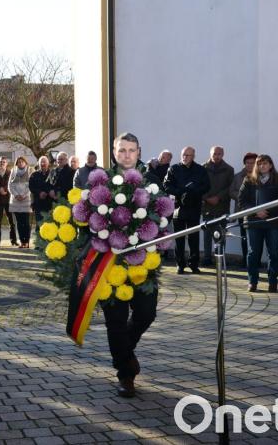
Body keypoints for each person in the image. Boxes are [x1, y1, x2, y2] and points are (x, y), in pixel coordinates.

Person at [103, 132, 161, 398]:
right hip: (109, 264)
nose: (126, 155)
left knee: (146, 313)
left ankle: (124, 352)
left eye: (131, 150)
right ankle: (126, 374)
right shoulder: (101, 182)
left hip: (143, 263)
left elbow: (162, 218)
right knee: (115, 321)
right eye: (121, 150)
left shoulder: (152, 182)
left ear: (139, 152)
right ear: (114, 152)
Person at [238, 154, 278, 293]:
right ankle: (252, 282)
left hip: (272, 222)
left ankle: (273, 282)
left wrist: (267, 211)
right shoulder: (249, 180)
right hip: (253, 222)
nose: (262, 166)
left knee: (273, 252)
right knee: (253, 253)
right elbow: (241, 201)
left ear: (271, 165)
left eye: (265, 163)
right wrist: (256, 211)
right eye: (259, 164)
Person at [164, 146, 211, 274]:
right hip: (178, 208)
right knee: (179, 238)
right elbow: (166, 185)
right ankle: (180, 264)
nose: (185, 157)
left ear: (193, 156)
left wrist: (193, 192)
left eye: (188, 155)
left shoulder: (200, 170)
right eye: (183, 155)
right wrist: (180, 192)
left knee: (194, 238)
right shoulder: (174, 169)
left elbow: (207, 186)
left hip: (194, 207)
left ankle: (194, 264)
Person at [201, 146, 235, 266]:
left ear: (223, 154)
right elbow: (199, 185)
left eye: (219, 154)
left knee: (221, 233)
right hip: (207, 206)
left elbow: (230, 187)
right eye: (214, 154)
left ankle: (219, 258)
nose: (217, 156)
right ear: (210, 154)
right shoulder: (202, 168)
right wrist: (207, 198)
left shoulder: (229, 169)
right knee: (207, 234)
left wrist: (219, 197)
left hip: (222, 206)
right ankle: (206, 258)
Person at [229, 153, 258, 268]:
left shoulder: (262, 175)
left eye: (252, 163)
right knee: (244, 237)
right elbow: (231, 192)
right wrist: (243, 196)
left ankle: (256, 260)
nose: (250, 165)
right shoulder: (237, 176)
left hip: (258, 211)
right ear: (244, 164)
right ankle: (246, 259)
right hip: (242, 211)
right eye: (248, 163)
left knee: (257, 238)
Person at [8, 157, 33, 248]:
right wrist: (16, 195)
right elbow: (10, 185)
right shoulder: (13, 171)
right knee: (19, 222)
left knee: (25, 222)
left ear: (25, 163)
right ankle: (22, 241)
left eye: (22, 162)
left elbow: (31, 185)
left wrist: (24, 195)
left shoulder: (30, 171)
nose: (21, 163)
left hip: (26, 200)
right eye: (19, 162)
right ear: (16, 163)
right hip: (15, 201)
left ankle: (27, 241)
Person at [0, 156, 17, 246]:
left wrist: (5, 189)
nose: (2, 163)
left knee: (12, 222)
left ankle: (13, 241)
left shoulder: (10, 173)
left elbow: (13, 184)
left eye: (3, 162)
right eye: (0, 162)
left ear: (6, 164)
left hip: (8, 200)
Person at [28, 155, 53, 232]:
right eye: (41, 162)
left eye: (44, 162)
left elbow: (54, 186)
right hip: (38, 203)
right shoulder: (34, 175)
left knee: (49, 224)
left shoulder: (52, 173)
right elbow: (31, 187)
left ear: (48, 163)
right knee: (39, 224)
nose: (43, 163)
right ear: (38, 164)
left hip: (50, 203)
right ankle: (38, 239)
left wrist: (47, 192)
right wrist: (39, 192)